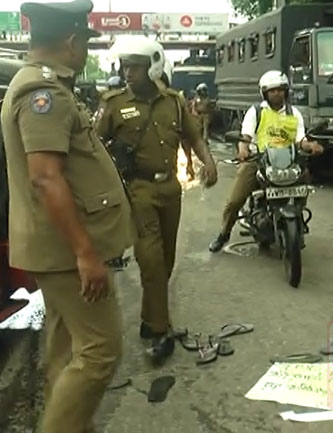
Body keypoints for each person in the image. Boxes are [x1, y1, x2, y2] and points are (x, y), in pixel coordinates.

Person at [1, 1, 133, 431]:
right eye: (86, 42)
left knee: (65, 346)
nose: (86, 51)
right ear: (72, 41)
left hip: (54, 248)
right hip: (64, 250)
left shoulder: (41, 84)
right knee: (100, 351)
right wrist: (85, 253)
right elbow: (46, 178)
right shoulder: (44, 93)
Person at [94, 36, 218, 364]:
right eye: (125, 66)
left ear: (153, 66)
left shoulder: (175, 101)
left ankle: (151, 321)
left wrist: (209, 160)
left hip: (170, 191)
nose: (128, 72)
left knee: (166, 260)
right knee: (149, 259)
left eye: (135, 66)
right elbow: (93, 145)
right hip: (138, 191)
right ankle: (161, 331)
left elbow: (192, 135)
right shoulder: (114, 102)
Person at [209, 70, 324, 252]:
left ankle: (298, 220)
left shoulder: (294, 113)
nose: (277, 93)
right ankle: (224, 233)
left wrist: (310, 146)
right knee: (234, 201)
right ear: (265, 93)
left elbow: (300, 139)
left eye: (280, 90)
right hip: (258, 160)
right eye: (272, 90)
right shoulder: (256, 112)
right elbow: (245, 136)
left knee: (305, 177)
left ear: (286, 91)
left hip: (287, 160)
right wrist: (243, 150)